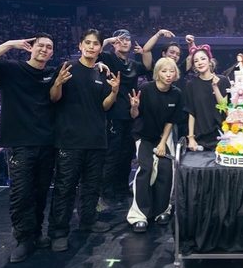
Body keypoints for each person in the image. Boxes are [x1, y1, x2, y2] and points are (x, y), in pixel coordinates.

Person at [0, 34, 57, 263]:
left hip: (47, 143)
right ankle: (23, 239)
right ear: (31, 47)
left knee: (41, 193)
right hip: (19, 144)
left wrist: (99, 65)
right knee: (21, 194)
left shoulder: (53, 74)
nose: (44, 49)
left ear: (52, 53)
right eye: (40, 45)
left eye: (49, 47)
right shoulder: (12, 69)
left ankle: (36, 233)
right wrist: (9, 44)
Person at [48, 29, 120, 252]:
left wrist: (114, 92)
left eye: (95, 43)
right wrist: (57, 83)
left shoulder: (102, 72)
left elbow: (104, 106)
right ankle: (59, 232)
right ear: (80, 45)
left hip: (96, 139)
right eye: (87, 42)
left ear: (100, 48)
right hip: (70, 140)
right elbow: (54, 98)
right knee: (65, 188)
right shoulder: (68, 68)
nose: (91, 46)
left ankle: (88, 220)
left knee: (91, 186)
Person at [126, 58, 183, 232]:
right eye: (164, 71)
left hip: (162, 137)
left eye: (171, 71)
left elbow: (170, 121)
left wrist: (163, 143)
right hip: (143, 136)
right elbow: (135, 115)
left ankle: (162, 210)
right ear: (157, 73)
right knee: (146, 168)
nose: (168, 75)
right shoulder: (145, 89)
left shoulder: (177, 93)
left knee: (166, 169)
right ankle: (139, 215)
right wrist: (134, 107)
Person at [98, 28, 152, 207]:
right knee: (112, 155)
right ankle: (107, 193)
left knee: (127, 154)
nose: (124, 42)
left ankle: (122, 189)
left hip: (131, 113)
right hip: (114, 113)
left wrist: (144, 52)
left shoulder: (133, 64)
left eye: (127, 40)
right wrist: (108, 40)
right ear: (114, 43)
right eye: (120, 40)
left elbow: (147, 67)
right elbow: (96, 51)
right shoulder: (108, 58)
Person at [184, 45, 231, 151]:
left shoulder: (222, 80)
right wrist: (191, 138)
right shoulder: (191, 84)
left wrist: (215, 87)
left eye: (203, 59)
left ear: (210, 61)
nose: (200, 62)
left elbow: (225, 108)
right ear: (194, 66)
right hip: (200, 138)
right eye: (196, 61)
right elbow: (191, 112)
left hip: (222, 136)